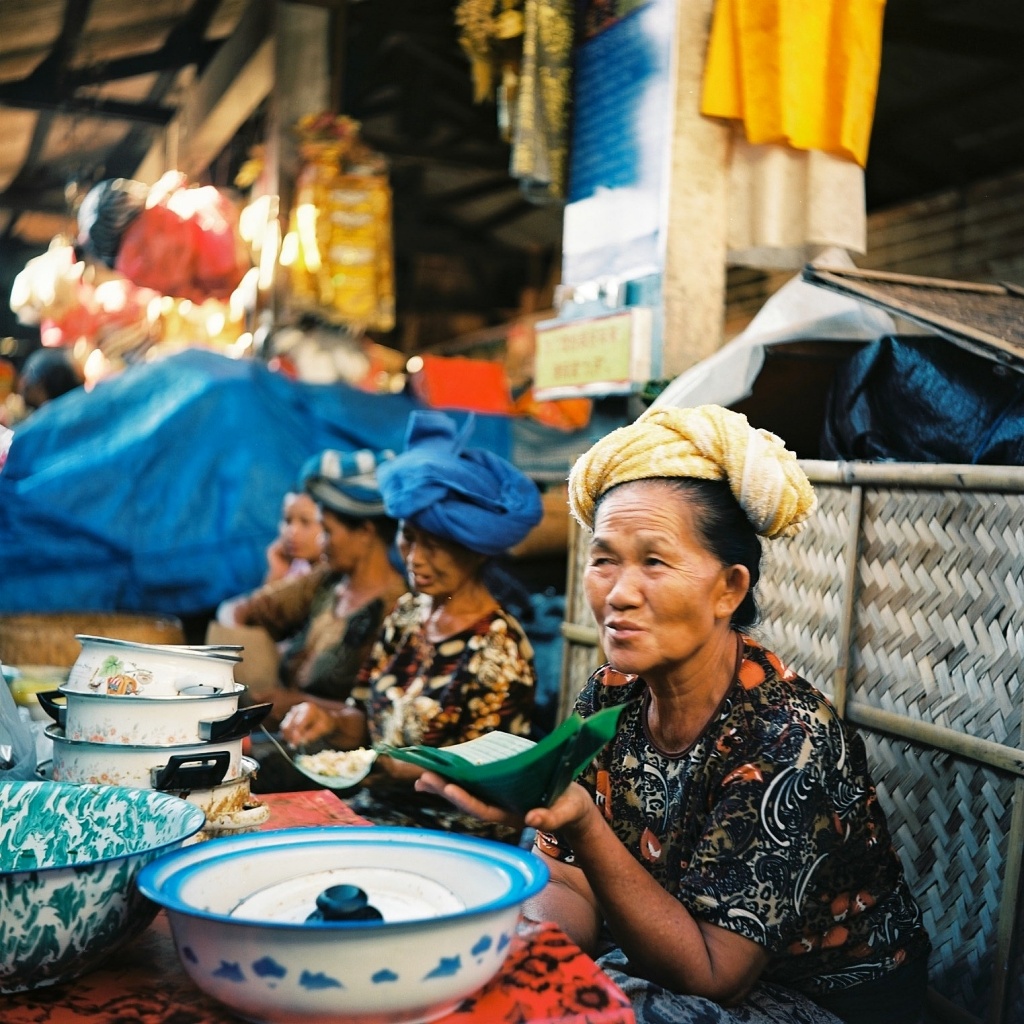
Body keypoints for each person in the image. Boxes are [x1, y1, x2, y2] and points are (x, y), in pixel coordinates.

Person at [415, 404, 931, 1024]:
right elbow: (566, 881)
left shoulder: (787, 736)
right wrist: (522, 946)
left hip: (821, 1001)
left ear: (728, 590)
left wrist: (583, 823)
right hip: (661, 950)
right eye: (604, 559)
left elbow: (715, 977)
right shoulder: (612, 691)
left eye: (654, 561)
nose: (620, 592)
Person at [280, 410, 544, 840]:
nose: (415, 559)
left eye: (435, 546)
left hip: (450, 831)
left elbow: (480, 777)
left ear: (475, 549)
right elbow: (362, 718)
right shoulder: (407, 615)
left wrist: (388, 766)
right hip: (373, 808)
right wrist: (326, 721)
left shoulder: (500, 650)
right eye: (408, 538)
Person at [239, 448, 407, 761]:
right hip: (286, 737)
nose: (321, 542)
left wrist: (291, 701)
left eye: (327, 531)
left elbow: (376, 716)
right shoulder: (327, 581)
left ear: (366, 534)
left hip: (335, 758)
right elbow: (245, 611)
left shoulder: (397, 608)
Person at [17, 347, 84, 411]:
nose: (22, 384)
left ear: (40, 387)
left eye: (28, 386)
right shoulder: (85, 406)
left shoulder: (44, 420)